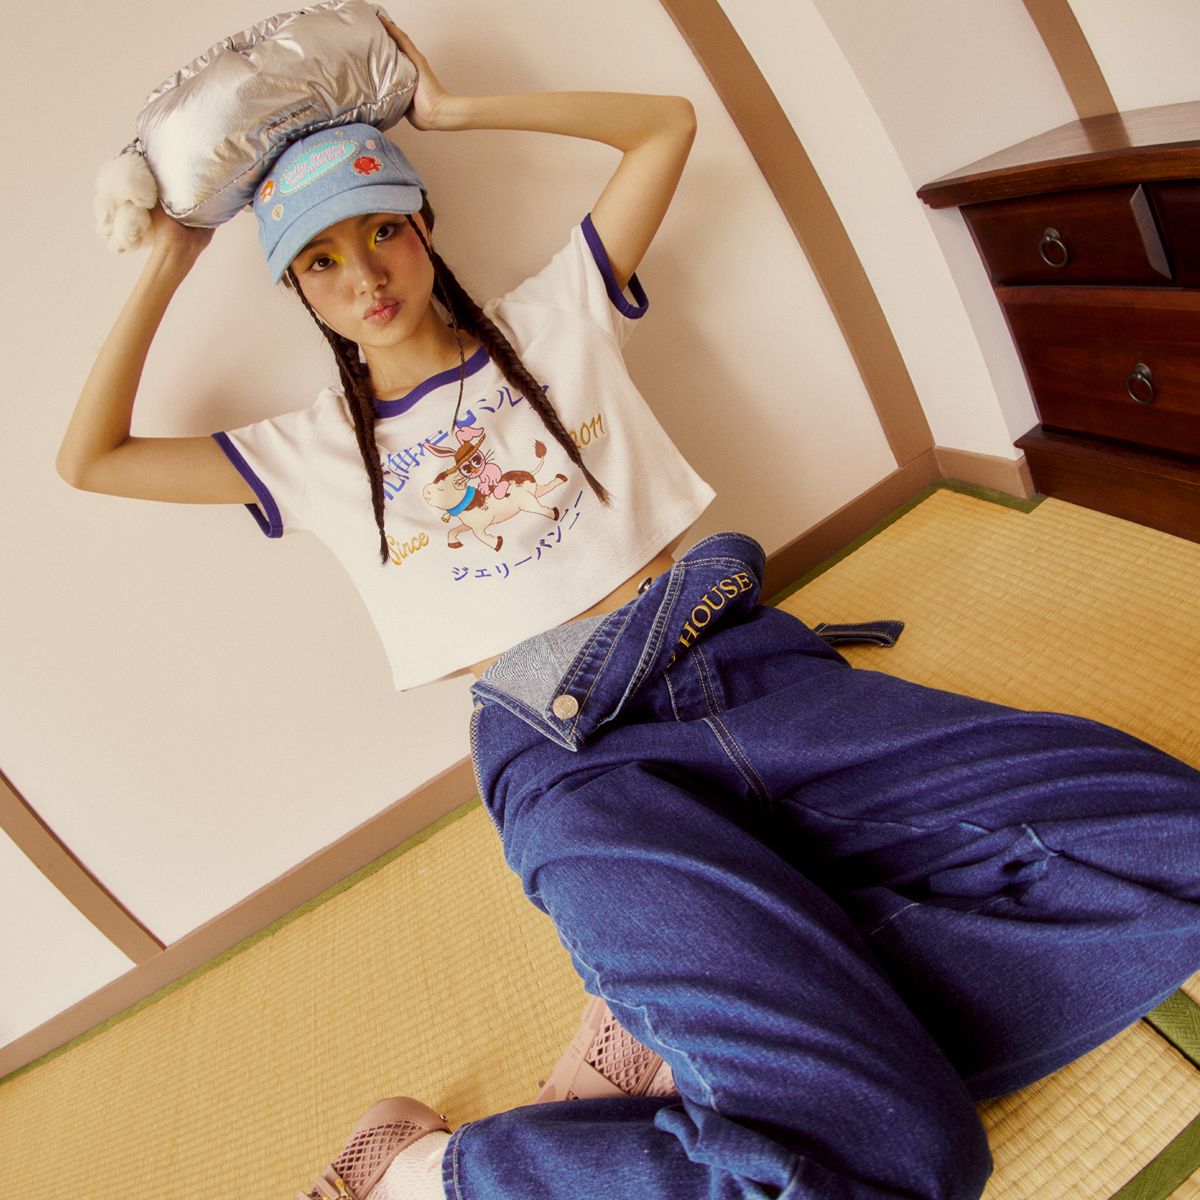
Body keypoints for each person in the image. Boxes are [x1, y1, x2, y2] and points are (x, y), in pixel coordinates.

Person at [60, 19, 1200, 1200]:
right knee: (913, 1161)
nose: (366, 279)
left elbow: (666, 128)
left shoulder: (556, 316)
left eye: (382, 229)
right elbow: (88, 458)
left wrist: (448, 113)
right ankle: (436, 1172)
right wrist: (171, 256)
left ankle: (703, 1010)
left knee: (1176, 838)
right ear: (296, 290)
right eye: (320, 262)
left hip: (742, 665)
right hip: (568, 754)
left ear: (423, 223)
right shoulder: (307, 452)